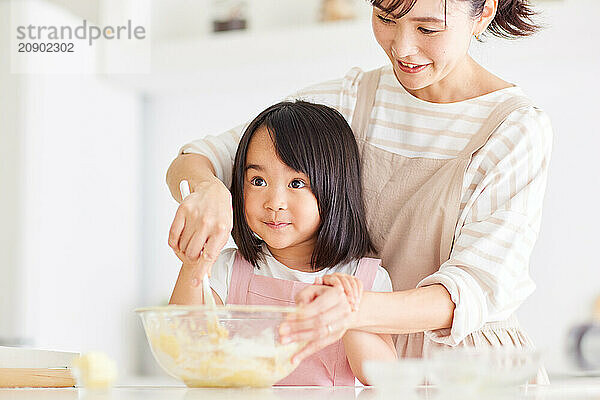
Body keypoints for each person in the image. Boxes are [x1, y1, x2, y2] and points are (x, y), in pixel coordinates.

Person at [166, 0, 552, 383]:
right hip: (365, 366)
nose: (401, 47)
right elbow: (200, 157)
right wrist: (208, 188)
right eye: (386, 17)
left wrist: (351, 308)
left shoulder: (514, 128)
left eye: (428, 28)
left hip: (467, 371)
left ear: (483, 13)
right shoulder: (352, 98)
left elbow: (472, 291)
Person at [169, 101, 397, 386]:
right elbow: (185, 344)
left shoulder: (364, 278)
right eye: (258, 181)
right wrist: (195, 264)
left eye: (297, 183)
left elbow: (383, 376)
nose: (274, 202)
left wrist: (348, 311)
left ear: (335, 188)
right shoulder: (228, 269)